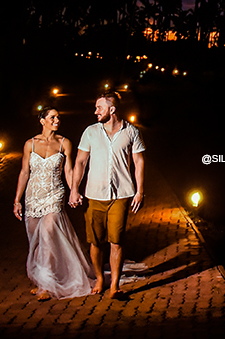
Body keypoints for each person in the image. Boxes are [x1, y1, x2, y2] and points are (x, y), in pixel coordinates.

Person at [12, 106, 96, 300]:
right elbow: (24, 172)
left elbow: (68, 170)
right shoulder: (29, 144)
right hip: (33, 196)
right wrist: (17, 199)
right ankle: (44, 280)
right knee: (36, 240)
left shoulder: (64, 143)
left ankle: (46, 287)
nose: (57, 120)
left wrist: (73, 190)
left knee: (48, 232)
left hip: (54, 194)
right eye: (53, 117)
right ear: (42, 121)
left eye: (58, 117)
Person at [69, 90, 145, 299]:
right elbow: (80, 162)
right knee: (95, 242)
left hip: (121, 194)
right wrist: (74, 189)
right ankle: (100, 278)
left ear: (112, 109)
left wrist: (139, 191)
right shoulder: (90, 132)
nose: (95, 112)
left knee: (116, 241)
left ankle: (115, 286)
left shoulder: (132, 132)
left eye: (99, 108)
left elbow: (138, 162)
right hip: (94, 194)